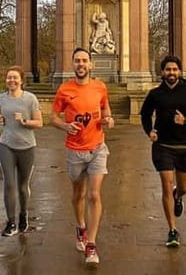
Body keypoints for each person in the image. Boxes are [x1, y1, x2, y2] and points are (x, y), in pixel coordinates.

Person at [51, 47, 115, 267]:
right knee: (79, 194)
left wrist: (108, 119)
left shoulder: (100, 87)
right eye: (77, 61)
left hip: (97, 147)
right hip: (75, 150)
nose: (81, 64)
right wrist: (65, 126)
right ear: (73, 64)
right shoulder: (64, 89)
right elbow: (53, 118)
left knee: (94, 195)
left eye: (84, 60)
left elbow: (106, 110)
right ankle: (81, 227)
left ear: (90, 64)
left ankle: (92, 244)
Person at [140, 54, 186, 248]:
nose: (171, 72)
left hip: (184, 146)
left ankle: (179, 197)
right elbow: (145, 115)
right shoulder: (155, 94)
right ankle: (172, 230)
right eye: (168, 69)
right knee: (166, 186)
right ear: (162, 72)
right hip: (163, 147)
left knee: (183, 187)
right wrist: (149, 131)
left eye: (175, 69)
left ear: (179, 72)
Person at [0, 65, 43, 237]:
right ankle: (11, 223)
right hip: (6, 144)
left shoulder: (30, 99)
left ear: (21, 80)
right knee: (9, 183)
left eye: (15, 77)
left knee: (23, 186)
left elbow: (39, 123)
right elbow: (0, 115)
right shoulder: (1, 98)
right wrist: (0, 119)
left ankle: (23, 215)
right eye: (9, 77)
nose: (12, 80)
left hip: (26, 146)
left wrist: (24, 121)